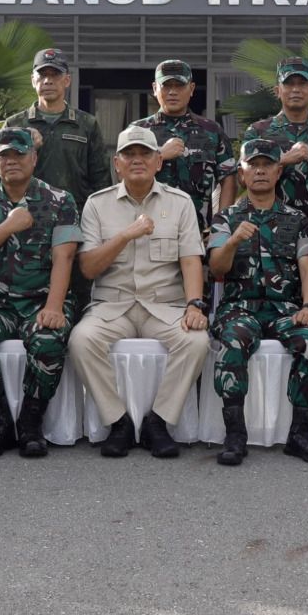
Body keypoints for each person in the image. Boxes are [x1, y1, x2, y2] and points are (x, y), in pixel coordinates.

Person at [69, 125, 211, 459]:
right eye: (129, 154)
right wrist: (126, 235)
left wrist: (194, 305)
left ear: (158, 161)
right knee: (81, 339)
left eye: (145, 154)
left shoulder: (179, 203)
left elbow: (191, 260)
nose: (137, 160)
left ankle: (157, 422)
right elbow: (88, 269)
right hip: (112, 305)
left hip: (163, 305)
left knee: (197, 341)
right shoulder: (97, 204)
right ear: (116, 163)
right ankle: (117, 421)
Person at [0, 127, 82, 459]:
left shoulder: (60, 200)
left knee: (49, 338)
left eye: (19, 154)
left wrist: (54, 306)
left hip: (41, 299)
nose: (11, 161)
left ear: (34, 158)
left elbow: (64, 257)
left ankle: (30, 422)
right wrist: (7, 226)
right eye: (3, 155)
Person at [205, 137, 308, 467]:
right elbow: (216, 269)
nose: (260, 171)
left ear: (277, 172)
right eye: (252, 165)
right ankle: (235, 435)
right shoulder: (225, 218)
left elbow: (307, 268)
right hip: (239, 306)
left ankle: (301, 434)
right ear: (242, 175)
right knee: (233, 340)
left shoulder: (297, 219)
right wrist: (232, 241)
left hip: (284, 308)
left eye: (267, 165)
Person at [245, 56, 308, 233]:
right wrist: (282, 160)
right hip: (270, 230)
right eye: (289, 83)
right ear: (277, 90)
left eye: (302, 83)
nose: (295, 89)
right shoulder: (258, 132)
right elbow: (243, 179)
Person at [0, 48, 109, 207]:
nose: (48, 81)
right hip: (26, 213)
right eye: (42, 74)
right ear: (33, 80)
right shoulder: (15, 124)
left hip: (75, 213)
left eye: (56, 74)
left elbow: (101, 179)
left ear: (67, 80)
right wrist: (24, 143)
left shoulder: (87, 124)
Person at [141, 59, 232, 234]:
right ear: (154, 88)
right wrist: (159, 156)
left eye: (180, 86)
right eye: (166, 86)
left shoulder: (212, 131)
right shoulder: (139, 131)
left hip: (198, 231)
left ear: (191, 89)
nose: (172, 92)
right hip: (149, 231)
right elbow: (123, 176)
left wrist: (220, 226)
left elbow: (228, 178)